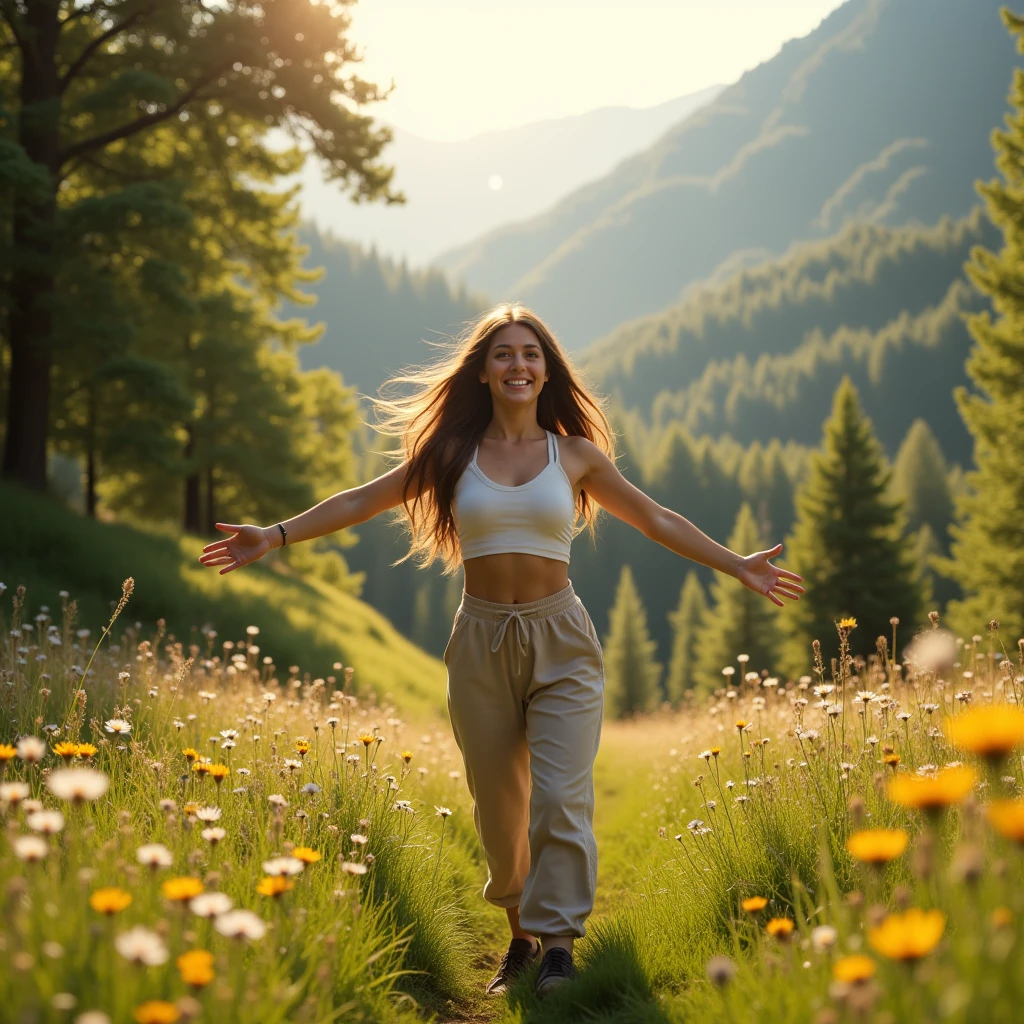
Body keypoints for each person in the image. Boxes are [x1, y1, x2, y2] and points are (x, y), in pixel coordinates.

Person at [197, 303, 803, 997]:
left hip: (562, 638)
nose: (519, 365)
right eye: (505, 355)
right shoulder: (453, 456)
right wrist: (273, 536)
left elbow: (656, 518)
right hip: (480, 640)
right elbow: (361, 500)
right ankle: (518, 938)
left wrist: (738, 564)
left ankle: (559, 949)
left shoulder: (573, 455)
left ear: (547, 372)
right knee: (499, 805)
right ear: (483, 373)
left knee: (560, 797)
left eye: (531, 354)